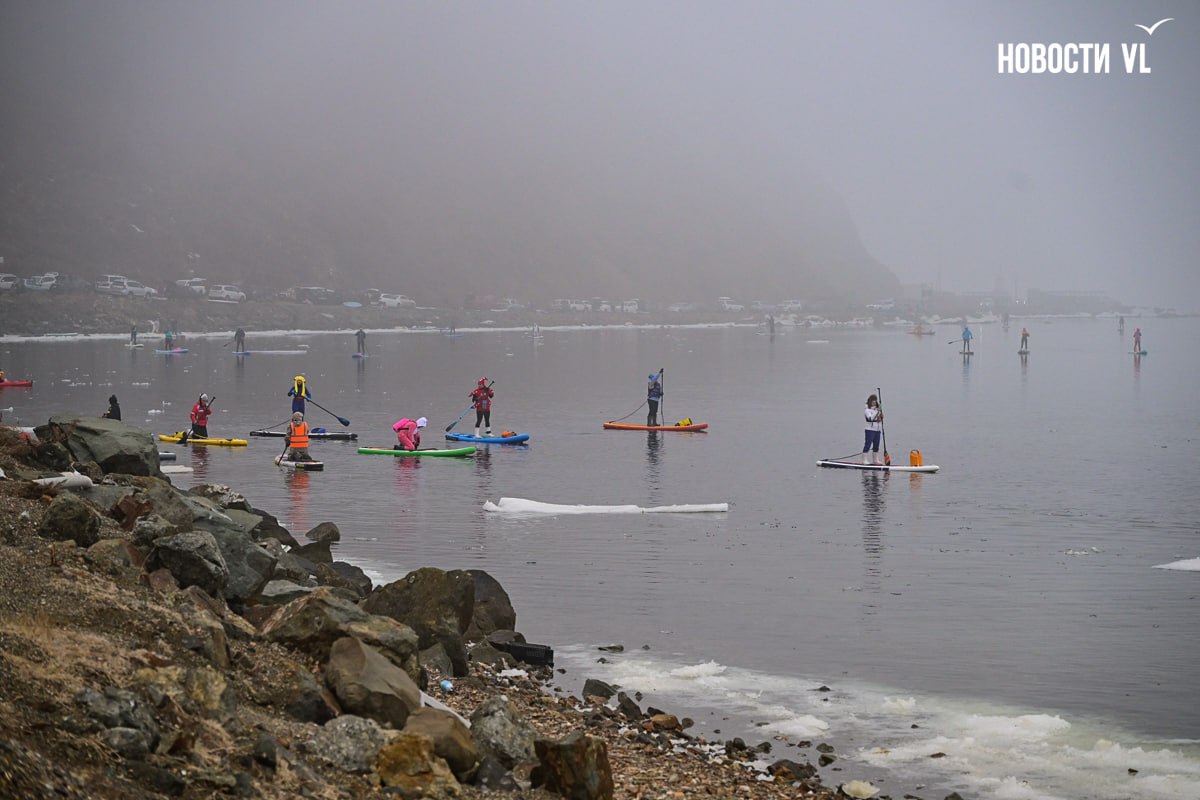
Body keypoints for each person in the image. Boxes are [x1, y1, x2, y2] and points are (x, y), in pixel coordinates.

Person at [862, 394, 884, 465]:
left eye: (875, 401)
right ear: (870, 402)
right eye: (873, 401)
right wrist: (877, 412)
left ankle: (875, 460)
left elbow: (879, 419)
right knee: (868, 444)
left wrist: (881, 416)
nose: (874, 402)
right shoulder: (867, 410)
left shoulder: (877, 409)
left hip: (877, 430)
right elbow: (870, 418)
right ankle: (864, 460)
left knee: (876, 445)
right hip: (869, 430)